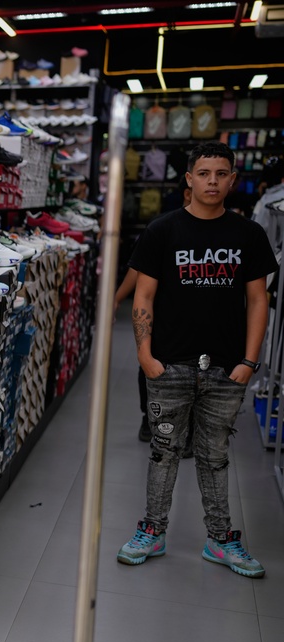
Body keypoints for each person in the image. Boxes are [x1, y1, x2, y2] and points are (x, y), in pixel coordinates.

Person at [119, 141, 276, 578]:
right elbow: (144, 295)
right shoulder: (163, 231)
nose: (212, 181)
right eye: (204, 173)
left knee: (215, 455)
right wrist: (146, 356)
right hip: (169, 364)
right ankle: (152, 530)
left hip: (227, 367)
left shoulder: (249, 234)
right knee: (164, 453)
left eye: (221, 173)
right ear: (189, 179)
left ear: (232, 179)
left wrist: (249, 361)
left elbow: (258, 300)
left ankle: (221, 540)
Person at [115, 179, 193, 442]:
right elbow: (137, 270)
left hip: (193, 317)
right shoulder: (161, 229)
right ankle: (149, 418)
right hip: (161, 312)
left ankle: (186, 425)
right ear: (187, 191)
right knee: (149, 361)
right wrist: (117, 298)